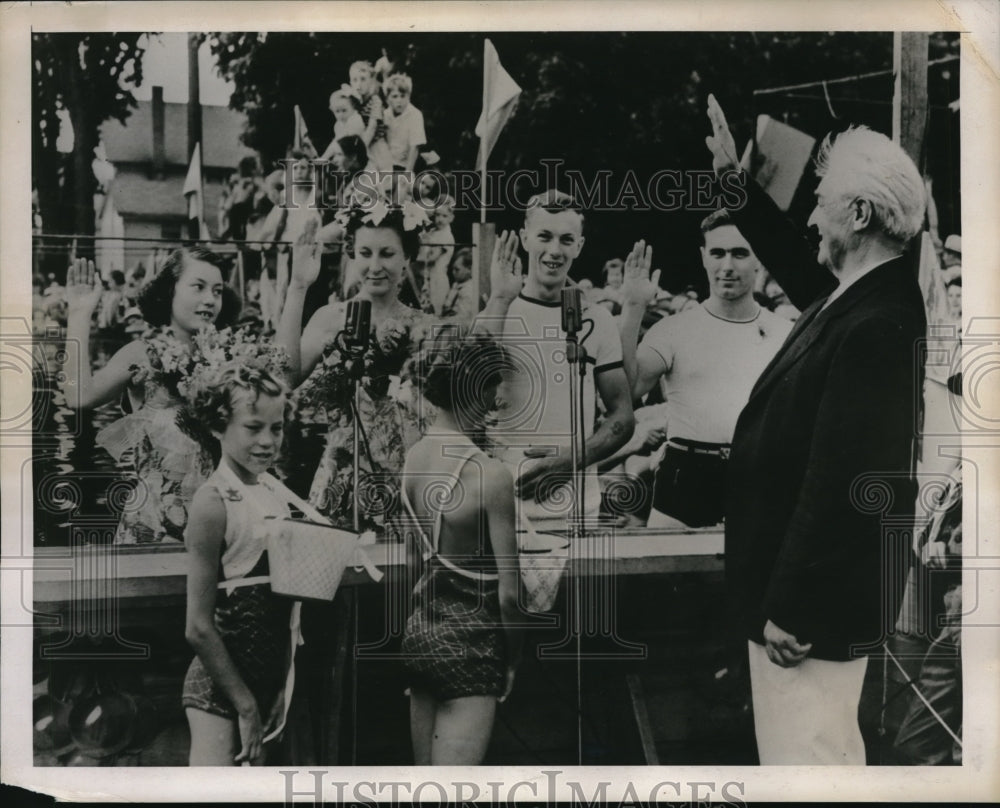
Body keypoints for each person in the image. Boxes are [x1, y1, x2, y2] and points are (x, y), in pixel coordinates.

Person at [705, 93, 927, 764]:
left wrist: (793, 607)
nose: (809, 216)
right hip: (800, 601)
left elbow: (843, 479)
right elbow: (801, 267)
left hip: (807, 612)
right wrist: (733, 188)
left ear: (859, 215)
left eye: (821, 201)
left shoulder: (875, 323)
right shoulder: (863, 296)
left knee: (811, 766)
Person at [619, 209, 792, 529]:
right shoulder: (674, 330)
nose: (727, 266)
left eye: (740, 253)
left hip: (756, 482)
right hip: (683, 484)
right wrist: (632, 307)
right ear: (703, 257)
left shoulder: (784, 334)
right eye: (718, 253)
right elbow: (627, 390)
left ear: (759, 259)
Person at [475, 191, 635, 530]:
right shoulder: (497, 313)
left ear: (579, 246)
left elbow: (622, 416)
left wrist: (572, 460)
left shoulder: (597, 319)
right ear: (524, 238)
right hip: (506, 512)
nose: (554, 250)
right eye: (544, 236)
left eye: (566, 239)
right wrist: (501, 299)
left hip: (580, 508)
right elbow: (468, 396)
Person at [399, 333, 522, 765]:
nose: (496, 399)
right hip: (470, 646)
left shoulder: (412, 457)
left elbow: (416, 566)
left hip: (420, 637)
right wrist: (512, 660)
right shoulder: (490, 474)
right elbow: (510, 594)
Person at [276, 195, 433, 531]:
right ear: (351, 255)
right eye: (365, 253)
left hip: (409, 470)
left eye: (387, 253)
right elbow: (284, 377)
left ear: (407, 257)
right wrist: (298, 286)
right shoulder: (331, 318)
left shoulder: (424, 326)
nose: (375, 266)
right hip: (345, 468)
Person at [62, 251, 240, 544]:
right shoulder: (142, 354)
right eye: (199, 287)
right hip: (153, 524)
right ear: (169, 291)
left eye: (217, 291)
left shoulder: (228, 360)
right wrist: (79, 315)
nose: (210, 299)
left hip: (220, 521)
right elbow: (78, 396)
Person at [181, 364, 299, 765]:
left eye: (276, 428)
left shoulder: (275, 493)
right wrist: (245, 706)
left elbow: (286, 607)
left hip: (263, 687)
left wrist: (284, 685)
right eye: (253, 428)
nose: (268, 441)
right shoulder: (213, 502)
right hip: (219, 692)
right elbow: (198, 627)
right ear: (218, 427)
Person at [349, 60, 392, 171]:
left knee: (379, 178)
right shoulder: (352, 102)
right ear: (350, 82)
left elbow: (372, 129)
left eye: (363, 79)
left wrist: (358, 152)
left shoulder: (375, 100)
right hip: (359, 143)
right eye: (355, 80)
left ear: (371, 81)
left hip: (375, 145)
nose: (359, 84)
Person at [383, 73, 427, 172]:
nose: (399, 100)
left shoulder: (415, 115)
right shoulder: (385, 115)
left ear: (409, 97)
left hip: (407, 165)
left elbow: (414, 147)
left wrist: (407, 174)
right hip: (387, 165)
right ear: (387, 99)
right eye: (394, 96)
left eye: (403, 96)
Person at [319, 88, 366, 163]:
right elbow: (336, 142)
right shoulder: (339, 124)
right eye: (337, 111)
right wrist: (324, 157)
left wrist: (325, 157)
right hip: (348, 153)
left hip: (360, 153)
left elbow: (347, 144)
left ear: (353, 107)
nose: (341, 115)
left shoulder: (355, 120)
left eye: (344, 110)